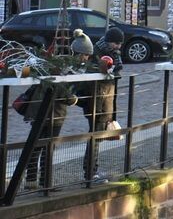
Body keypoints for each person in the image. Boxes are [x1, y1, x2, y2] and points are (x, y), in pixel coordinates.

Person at [23, 32, 84, 190]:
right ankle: (45, 182)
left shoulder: (44, 68)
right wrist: (74, 98)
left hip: (37, 112)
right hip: (54, 115)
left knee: (35, 145)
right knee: (48, 148)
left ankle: (30, 180)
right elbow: (66, 96)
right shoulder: (60, 73)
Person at [76, 27, 123, 183]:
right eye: (116, 43)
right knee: (95, 135)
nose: (118, 47)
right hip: (97, 99)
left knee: (98, 135)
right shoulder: (97, 52)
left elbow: (117, 70)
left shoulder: (112, 53)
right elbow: (95, 72)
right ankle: (90, 173)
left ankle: (92, 171)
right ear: (109, 41)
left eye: (120, 44)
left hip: (104, 98)